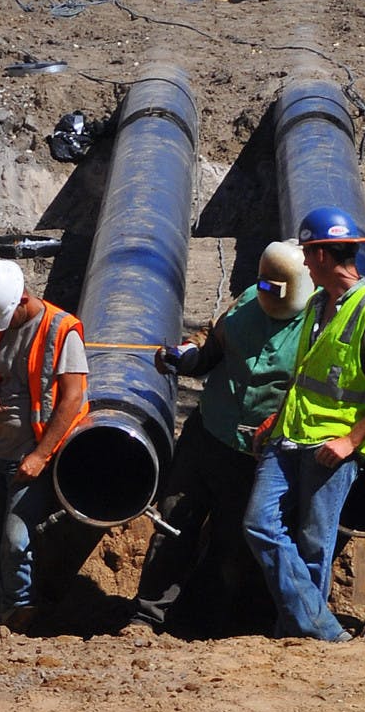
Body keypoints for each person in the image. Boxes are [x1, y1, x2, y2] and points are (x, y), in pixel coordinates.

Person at [129, 239, 314, 637]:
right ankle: (148, 618)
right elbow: (210, 345)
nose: (266, 294)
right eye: (264, 285)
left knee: (234, 546)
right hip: (207, 436)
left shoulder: (317, 328)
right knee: (173, 524)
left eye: (275, 289)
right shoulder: (247, 300)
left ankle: (221, 629)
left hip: (254, 456)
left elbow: (316, 395)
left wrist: (278, 423)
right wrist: (185, 356)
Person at [243, 206, 365, 642]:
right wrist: (278, 418)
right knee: (259, 524)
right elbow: (308, 376)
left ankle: (300, 636)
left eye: (305, 254)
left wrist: (351, 441)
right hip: (291, 433)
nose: (303, 263)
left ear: (318, 255)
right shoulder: (318, 303)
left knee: (315, 545)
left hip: (332, 447)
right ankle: (322, 630)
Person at [0, 258, 89, 633]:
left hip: (28, 454)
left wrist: (40, 455)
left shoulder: (61, 331)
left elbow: (72, 399)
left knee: (16, 543)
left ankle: (14, 622)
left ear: (23, 300)